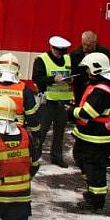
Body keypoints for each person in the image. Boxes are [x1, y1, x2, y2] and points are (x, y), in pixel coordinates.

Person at [70, 53, 110, 211]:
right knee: (84, 162)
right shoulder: (100, 86)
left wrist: (71, 111)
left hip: (95, 139)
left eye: (88, 69)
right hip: (90, 136)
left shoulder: (102, 91)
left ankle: (96, 200)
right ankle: (93, 192)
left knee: (94, 169)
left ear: (96, 68)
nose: (87, 72)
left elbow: (88, 112)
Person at [0, 53, 41, 147]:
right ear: (17, 69)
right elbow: (32, 116)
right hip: (17, 132)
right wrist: (36, 135)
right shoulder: (24, 89)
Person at [33, 36, 73, 167]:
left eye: (62, 52)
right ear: (52, 48)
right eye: (58, 52)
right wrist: (53, 79)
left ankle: (57, 156)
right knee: (41, 131)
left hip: (63, 102)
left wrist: (71, 80)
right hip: (47, 102)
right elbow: (37, 78)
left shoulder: (67, 58)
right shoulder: (41, 59)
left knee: (60, 132)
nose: (60, 54)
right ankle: (34, 156)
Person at [70, 31, 110, 104]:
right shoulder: (74, 54)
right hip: (81, 89)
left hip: (100, 88)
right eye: (84, 44)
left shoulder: (106, 53)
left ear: (95, 42)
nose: (86, 47)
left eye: (89, 45)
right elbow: (73, 72)